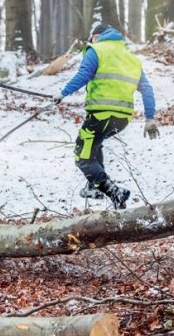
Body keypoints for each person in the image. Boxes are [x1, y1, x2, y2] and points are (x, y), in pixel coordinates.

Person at [52, 24, 159, 209]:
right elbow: (147, 90)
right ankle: (93, 187)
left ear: (96, 37)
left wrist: (63, 93)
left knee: (81, 155)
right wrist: (150, 119)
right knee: (94, 144)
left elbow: (84, 74)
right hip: (123, 118)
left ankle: (114, 191)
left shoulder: (97, 49)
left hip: (101, 116)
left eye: (91, 38)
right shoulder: (131, 58)